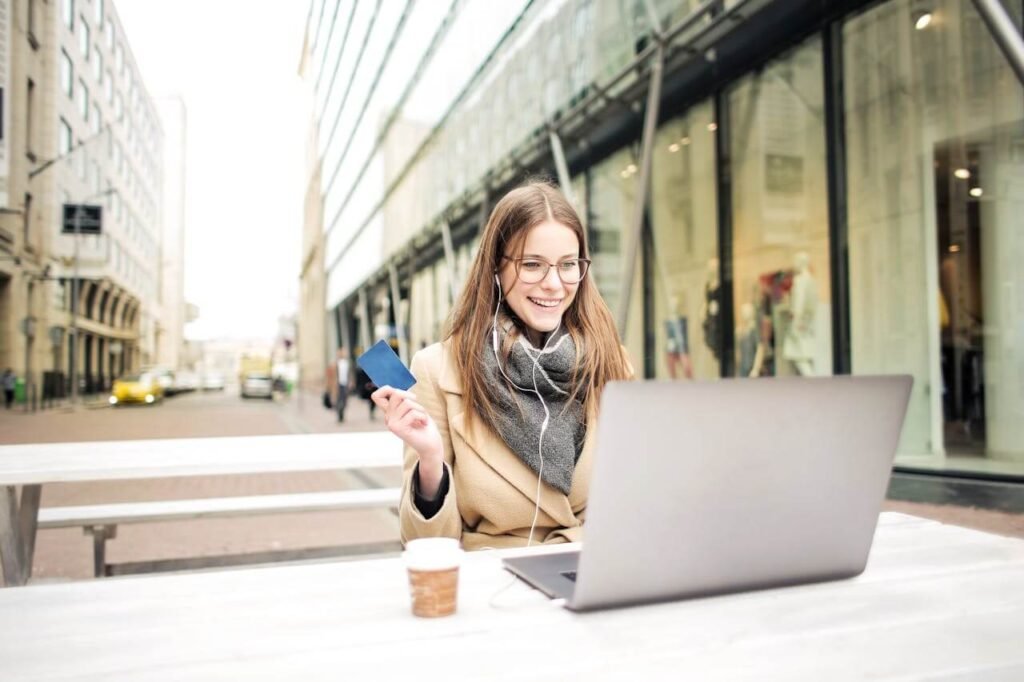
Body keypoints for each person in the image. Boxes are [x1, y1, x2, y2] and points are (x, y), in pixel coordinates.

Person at [372, 182, 632, 550]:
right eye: (532, 265)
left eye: (568, 265)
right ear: (496, 267)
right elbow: (426, 544)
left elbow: (633, 497)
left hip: (592, 572)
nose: (554, 284)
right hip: (496, 585)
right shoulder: (438, 369)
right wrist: (430, 460)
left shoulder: (611, 361)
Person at [335, 349, 351, 422]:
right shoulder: (336, 363)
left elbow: (350, 374)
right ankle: (339, 416)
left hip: (345, 384)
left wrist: (350, 382)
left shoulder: (347, 363)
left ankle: (342, 413)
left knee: (344, 400)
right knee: (338, 400)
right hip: (338, 384)